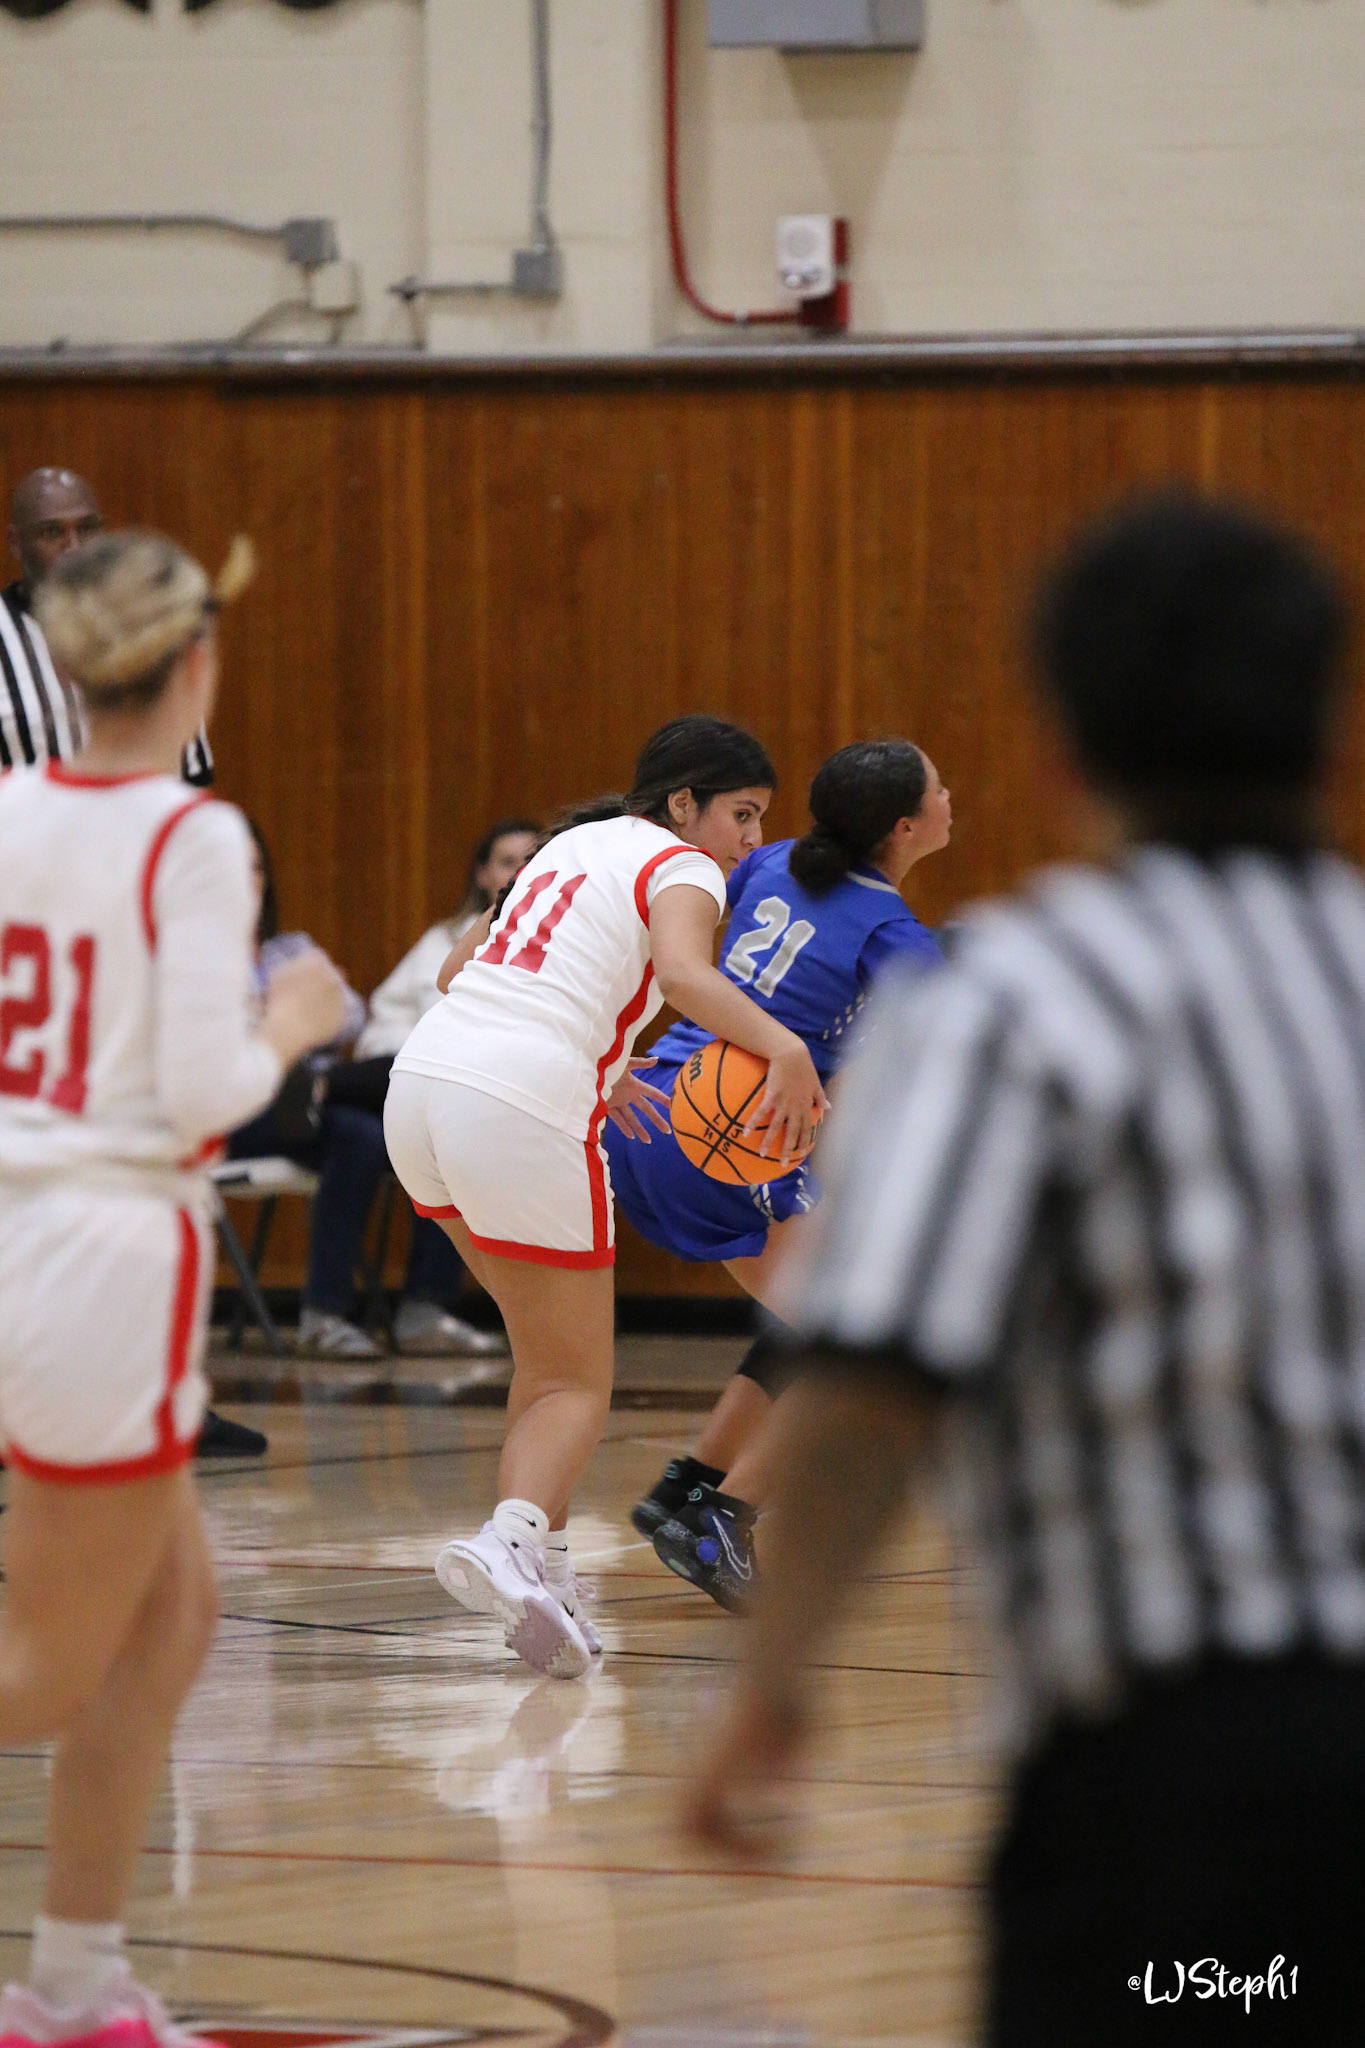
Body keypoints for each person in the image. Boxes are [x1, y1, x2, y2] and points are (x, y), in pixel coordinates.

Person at [690, 493, 1365, 2047]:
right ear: (1328, 730)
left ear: (1065, 752)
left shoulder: (1014, 999)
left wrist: (774, 1685)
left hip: (1164, 1761)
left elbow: (877, 1377)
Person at [0, 527, 345, 2047]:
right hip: (103, 1249)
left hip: (28, 1221)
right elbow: (210, 1088)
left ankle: (75, 1986)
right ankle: (69, 1991)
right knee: (42, 1670)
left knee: (176, 1616)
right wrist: (296, 1015)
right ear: (197, 660)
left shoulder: (10, 803)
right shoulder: (190, 833)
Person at [384, 715, 827, 1680]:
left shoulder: (567, 845)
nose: (752, 838)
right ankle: (510, 1539)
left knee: (542, 1361)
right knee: (572, 1382)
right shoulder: (684, 866)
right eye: (742, 814)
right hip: (522, 1102)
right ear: (684, 804)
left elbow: (458, 972)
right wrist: (781, 1046)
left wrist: (607, 1056)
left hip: (418, 1092)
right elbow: (683, 975)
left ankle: (546, 1570)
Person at [611, 739, 950, 1611]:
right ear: (905, 826)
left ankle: (691, 1487)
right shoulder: (896, 939)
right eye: (939, 788)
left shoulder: (771, 861)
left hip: (650, 1108)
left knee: (814, 1313)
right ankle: (722, 1518)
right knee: (872, 1348)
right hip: (730, 1140)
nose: (950, 797)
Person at [347, 817, 541, 1356]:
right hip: (405, 1068)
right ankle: (424, 1309)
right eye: (508, 862)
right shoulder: (446, 939)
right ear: (483, 875)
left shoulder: (546, 934)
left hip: (467, 1087)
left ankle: (436, 1308)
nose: (520, 872)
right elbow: (448, 1023)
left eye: (530, 861)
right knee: (453, 1145)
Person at [4, 470, 212, 785]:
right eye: (51, 532)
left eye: (87, 528)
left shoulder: (148, 623)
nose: (73, 548)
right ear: (15, 542)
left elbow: (193, 773)